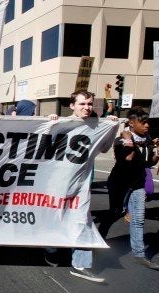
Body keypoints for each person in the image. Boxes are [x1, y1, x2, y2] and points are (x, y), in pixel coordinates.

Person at [46, 90, 118, 282]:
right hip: (56, 185)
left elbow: (104, 148)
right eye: (82, 104)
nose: (87, 108)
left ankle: (80, 264)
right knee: (54, 220)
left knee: (81, 222)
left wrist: (111, 128)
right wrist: (49, 122)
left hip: (80, 186)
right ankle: (51, 250)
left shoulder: (96, 126)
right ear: (72, 106)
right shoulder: (61, 123)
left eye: (89, 104)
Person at [103, 106, 159, 270]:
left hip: (137, 185)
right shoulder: (121, 140)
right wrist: (129, 139)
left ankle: (139, 255)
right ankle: (99, 239)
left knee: (138, 219)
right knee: (115, 213)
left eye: (148, 123)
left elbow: (149, 163)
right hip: (119, 183)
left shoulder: (147, 140)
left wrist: (158, 153)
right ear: (131, 122)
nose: (147, 126)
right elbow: (128, 159)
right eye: (143, 123)